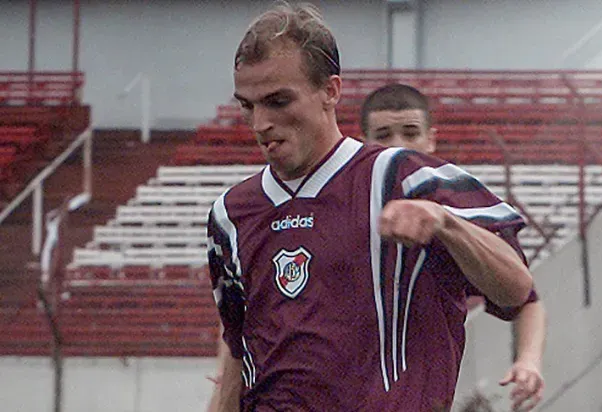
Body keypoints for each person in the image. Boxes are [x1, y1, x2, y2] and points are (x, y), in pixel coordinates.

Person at [207, 2, 534, 411]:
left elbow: (517, 289)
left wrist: (446, 224)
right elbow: (237, 351)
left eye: (278, 101)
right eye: (247, 105)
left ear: (331, 91)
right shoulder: (230, 215)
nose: (259, 124)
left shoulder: (407, 177)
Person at [359, 83, 546, 412]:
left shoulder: (454, 209)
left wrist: (528, 361)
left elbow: (525, 297)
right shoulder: (349, 206)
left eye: (410, 133)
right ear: (363, 143)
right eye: (384, 135)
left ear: (432, 138)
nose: (398, 146)